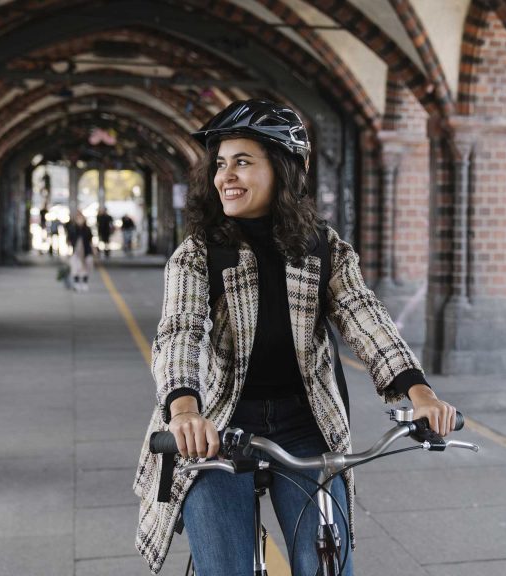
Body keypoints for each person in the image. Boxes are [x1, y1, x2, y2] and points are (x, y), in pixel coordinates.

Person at [132, 99, 456, 576]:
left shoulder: (322, 248)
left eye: (243, 162)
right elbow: (181, 330)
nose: (226, 176)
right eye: (221, 164)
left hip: (305, 423)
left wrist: (420, 393)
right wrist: (184, 411)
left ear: (284, 171)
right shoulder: (198, 254)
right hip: (216, 426)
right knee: (225, 569)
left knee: (326, 566)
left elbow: (363, 314)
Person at [66, 211, 94, 292]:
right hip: (76, 252)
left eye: (81, 218)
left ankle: (85, 283)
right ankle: (77, 283)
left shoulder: (87, 229)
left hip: (86, 251)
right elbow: (69, 240)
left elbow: (90, 240)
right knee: (76, 268)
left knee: (86, 267)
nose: (80, 220)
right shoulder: (73, 229)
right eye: (78, 218)